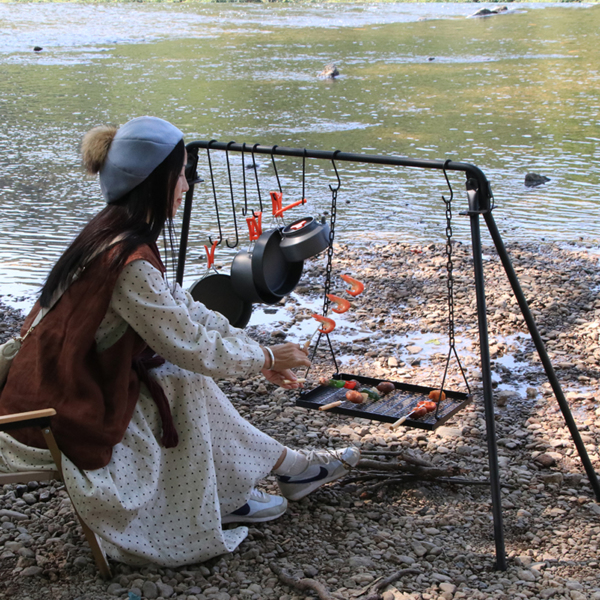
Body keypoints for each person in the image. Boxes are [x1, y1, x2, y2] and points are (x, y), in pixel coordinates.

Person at [0, 116, 360, 567]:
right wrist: (265, 355)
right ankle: (280, 474)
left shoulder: (112, 235)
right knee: (179, 376)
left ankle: (273, 476)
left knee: (177, 377)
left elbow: (186, 311)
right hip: (51, 408)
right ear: (154, 181)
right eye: (182, 174)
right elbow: (190, 342)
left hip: (61, 384)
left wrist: (253, 351)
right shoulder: (126, 261)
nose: (187, 186)